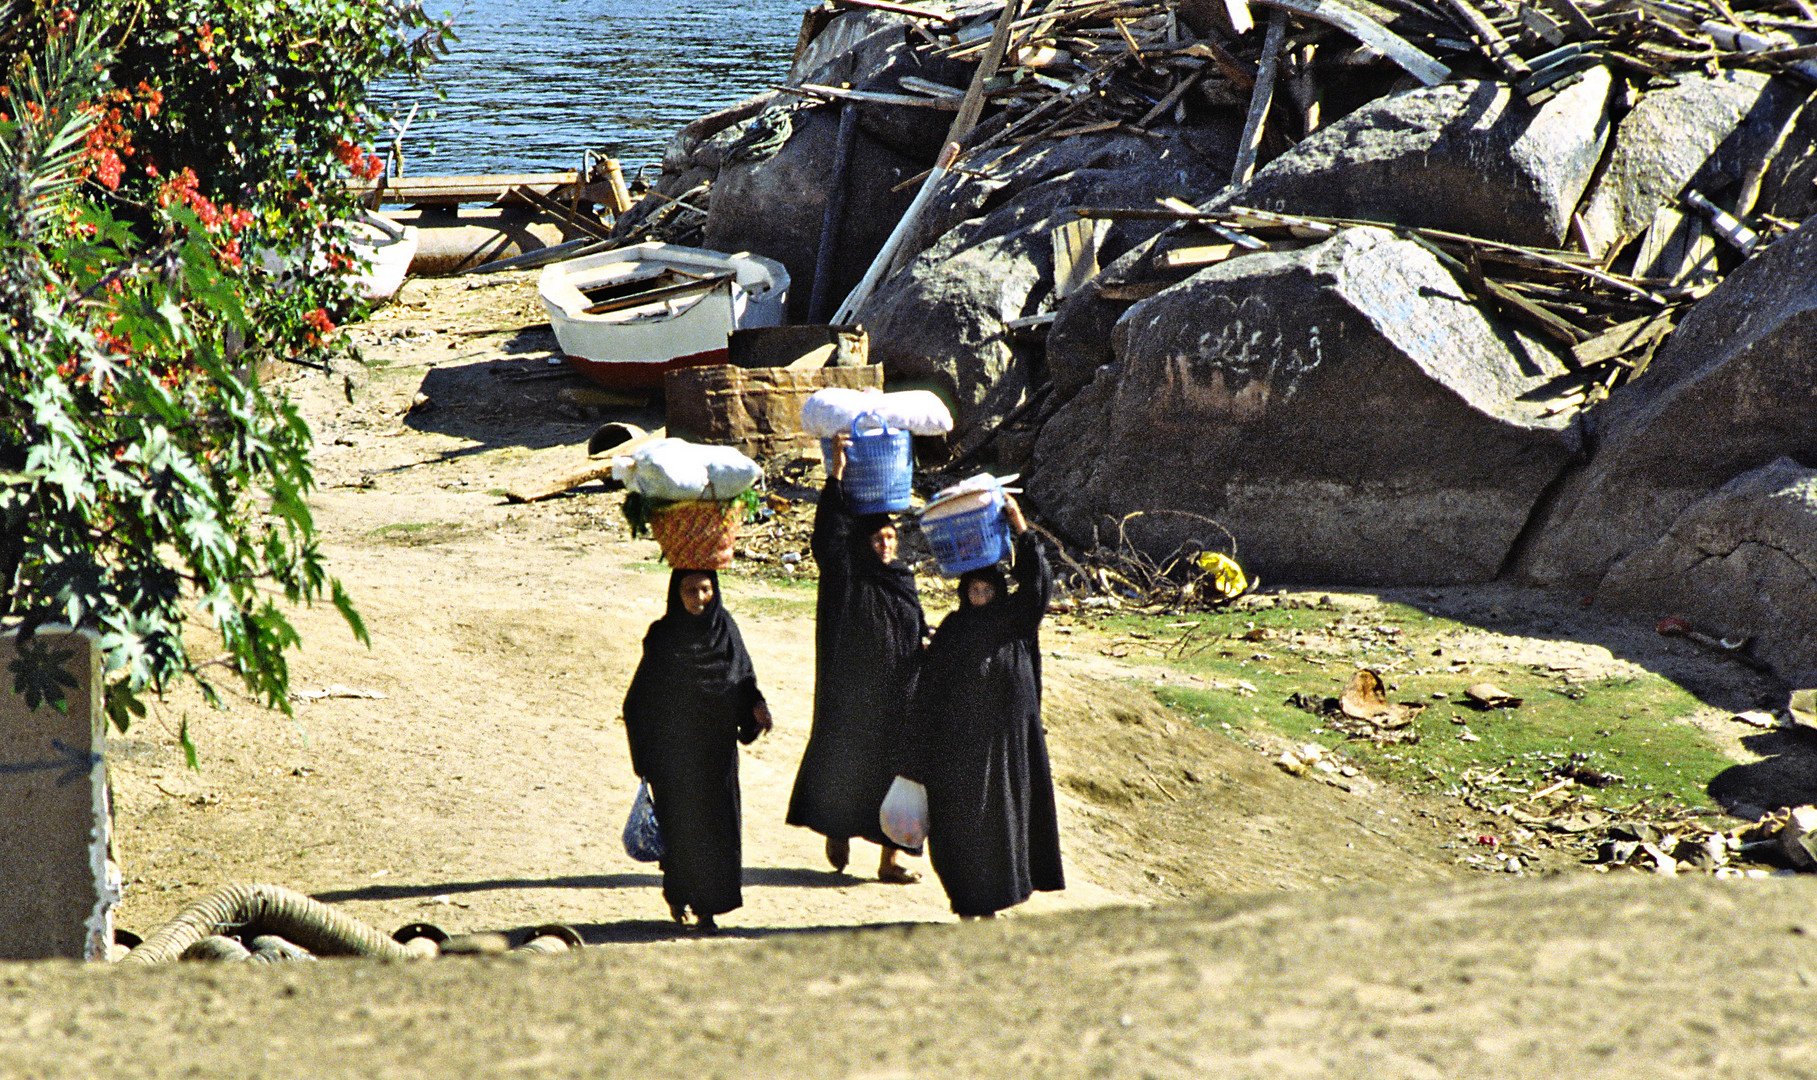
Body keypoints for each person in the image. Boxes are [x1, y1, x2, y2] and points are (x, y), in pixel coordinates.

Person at [902, 497, 1063, 919]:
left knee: (1002, 825)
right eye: (973, 589)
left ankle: (993, 901)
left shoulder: (1015, 621)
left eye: (987, 589)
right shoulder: (954, 630)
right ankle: (969, 902)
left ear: (998, 590)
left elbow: (1039, 586)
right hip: (959, 750)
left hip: (1006, 746)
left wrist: (1020, 528)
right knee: (960, 825)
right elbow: (930, 688)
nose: (979, 596)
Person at [786, 433, 927, 884]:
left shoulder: (902, 582)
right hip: (853, 692)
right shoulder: (848, 576)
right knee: (847, 764)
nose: (885, 545)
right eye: (877, 539)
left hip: (898, 698)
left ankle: (889, 862)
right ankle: (837, 829)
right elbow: (829, 539)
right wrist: (837, 476)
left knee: (899, 775)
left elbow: (913, 628)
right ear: (864, 543)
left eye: (890, 537)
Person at [623, 569, 772, 932]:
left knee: (719, 828)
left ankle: (708, 910)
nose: (700, 598)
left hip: (717, 752)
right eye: (690, 591)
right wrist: (646, 759)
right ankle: (679, 896)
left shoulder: (726, 629)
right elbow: (638, 701)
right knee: (682, 828)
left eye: (705, 589)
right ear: (677, 593)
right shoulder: (662, 637)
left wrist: (756, 706)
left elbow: (743, 678)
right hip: (674, 755)